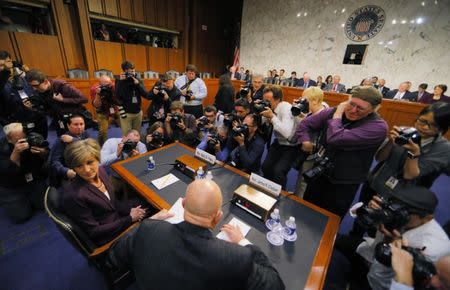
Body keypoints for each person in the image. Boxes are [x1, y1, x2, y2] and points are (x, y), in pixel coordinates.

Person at [108, 179, 285, 290]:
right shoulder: (236, 257)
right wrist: (244, 243)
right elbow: (275, 285)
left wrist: (151, 220)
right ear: (218, 217)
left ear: (183, 205)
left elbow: (114, 256)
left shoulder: (147, 229)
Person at [351, 102, 450, 238]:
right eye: (422, 121)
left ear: (442, 129)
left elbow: (410, 175)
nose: (424, 127)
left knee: (382, 229)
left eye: (433, 125)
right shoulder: (406, 131)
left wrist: (414, 153)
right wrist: (391, 142)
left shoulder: (444, 149)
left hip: (401, 197)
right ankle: (354, 237)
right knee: (362, 216)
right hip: (376, 184)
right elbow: (380, 158)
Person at [297, 86, 388, 219]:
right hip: (319, 173)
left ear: (374, 109)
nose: (353, 110)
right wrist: (305, 141)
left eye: (361, 108)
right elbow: (305, 124)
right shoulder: (332, 111)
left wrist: (338, 114)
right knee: (305, 212)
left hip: (344, 183)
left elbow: (336, 138)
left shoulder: (378, 127)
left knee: (329, 221)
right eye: (351, 104)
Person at [335, 186, 450, 290]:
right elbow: (373, 238)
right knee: (330, 239)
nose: (396, 215)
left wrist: (391, 244)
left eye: (405, 213)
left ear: (427, 217)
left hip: (383, 275)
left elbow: (382, 282)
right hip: (372, 250)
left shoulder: (430, 249)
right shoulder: (403, 217)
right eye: (395, 205)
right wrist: (373, 213)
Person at [62, 138, 167, 246]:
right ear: (73, 168)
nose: (87, 170)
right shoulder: (74, 196)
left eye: (90, 162)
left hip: (117, 215)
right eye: (79, 166)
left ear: (97, 159)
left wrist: (131, 211)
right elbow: (94, 232)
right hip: (110, 236)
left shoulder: (101, 171)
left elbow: (112, 203)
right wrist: (130, 218)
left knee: (152, 204)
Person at [0, 123, 48, 223]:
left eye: (24, 137)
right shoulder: (2, 150)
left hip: (32, 178)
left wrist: (42, 152)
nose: (23, 142)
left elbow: (47, 151)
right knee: (21, 217)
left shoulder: (32, 138)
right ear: (9, 139)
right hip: (12, 186)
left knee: (46, 205)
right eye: (18, 140)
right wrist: (15, 154)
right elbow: (6, 173)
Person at [26, 69, 88, 136]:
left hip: (75, 120)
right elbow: (47, 111)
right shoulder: (40, 91)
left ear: (46, 82)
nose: (34, 89)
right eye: (32, 86)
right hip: (59, 121)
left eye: (36, 85)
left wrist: (63, 99)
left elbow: (83, 99)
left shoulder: (61, 85)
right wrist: (33, 108)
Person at [1, 51, 48, 138]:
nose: (6, 66)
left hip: (36, 116)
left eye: (7, 61)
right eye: (1, 65)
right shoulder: (2, 83)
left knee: (42, 142)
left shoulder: (23, 75)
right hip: (17, 122)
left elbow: (38, 92)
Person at [293, 87, 329, 196]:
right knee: (301, 178)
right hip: (307, 153)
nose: (303, 102)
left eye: (305, 100)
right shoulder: (315, 112)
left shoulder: (324, 115)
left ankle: (300, 201)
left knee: (305, 180)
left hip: (313, 154)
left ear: (314, 101)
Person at [260, 85, 298, 189]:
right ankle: (267, 190)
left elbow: (286, 133)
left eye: (268, 100)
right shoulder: (272, 108)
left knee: (278, 172)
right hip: (279, 142)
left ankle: (280, 197)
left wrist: (272, 117)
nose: (266, 103)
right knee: (265, 167)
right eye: (265, 100)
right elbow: (262, 123)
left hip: (291, 145)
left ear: (278, 99)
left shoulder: (286, 108)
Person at [100, 129, 147, 199]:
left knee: (134, 197)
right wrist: (116, 154)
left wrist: (137, 159)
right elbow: (102, 162)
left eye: (136, 143)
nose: (133, 144)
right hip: (116, 176)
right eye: (130, 141)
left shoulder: (141, 146)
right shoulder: (111, 142)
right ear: (124, 137)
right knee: (113, 197)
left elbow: (145, 165)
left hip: (133, 178)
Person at [49, 114, 89, 188]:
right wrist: (66, 171)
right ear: (68, 125)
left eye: (81, 124)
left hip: (86, 168)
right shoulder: (62, 140)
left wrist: (74, 140)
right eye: (76, 124)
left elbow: (91, 146)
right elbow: (55, 162)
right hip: (71, 173)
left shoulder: (85, 134)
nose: (79, 127)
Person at [115, 61, 149, 134]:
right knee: (127, 135)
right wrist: (120, 82)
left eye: (133, 71)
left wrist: (138, 84)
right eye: (129, 72)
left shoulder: (138, 80)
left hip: (138, 112)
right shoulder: (119, 81)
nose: (132, 73)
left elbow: (145, 95)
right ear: (124, 71)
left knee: (137, 134)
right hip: (126, 113)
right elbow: (117, 96)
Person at [89, 75, 118, 146]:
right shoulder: (94, 89)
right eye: (105, 84)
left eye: (109, 83)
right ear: (100, 84)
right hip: (102, 111)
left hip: (114, 108)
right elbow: (96, 105)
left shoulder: (113, 86)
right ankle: (104, 145)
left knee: (124, 124)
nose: (108, 86)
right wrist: (98, 94)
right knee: (103, 131)